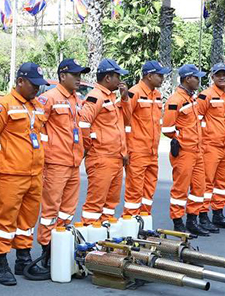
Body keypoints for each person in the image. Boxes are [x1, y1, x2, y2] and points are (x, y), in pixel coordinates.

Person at [0, 62, 49, 282]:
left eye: (39, 85)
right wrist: (7, 157)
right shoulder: (2, 106)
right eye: (33, 84)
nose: (37, 89)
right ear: (20, 81)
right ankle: (1, 263)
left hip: (35, 173)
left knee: (27, 221)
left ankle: (23, 259)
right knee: (5, 221)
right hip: (10, 174)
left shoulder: (37, 106)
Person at [34, 58, 88, 267]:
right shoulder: (49, 98)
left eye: (80, 75)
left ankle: (61, 244)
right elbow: (36, 128)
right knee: (51, 210)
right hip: (55, 163)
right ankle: (46, 250)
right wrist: (45, 154)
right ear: (62, 76)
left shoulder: (76, 99)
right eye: (75, 75)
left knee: (67, 209)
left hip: (73, 163)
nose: (79, 79)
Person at [79, 58, 129, 226]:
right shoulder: (95, 96)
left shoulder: (113, 97)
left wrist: (125, 98)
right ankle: (89, 235)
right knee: (94, 205)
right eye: (117, 76)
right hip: (101, 158)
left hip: (116, 158)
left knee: (110, 205)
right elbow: (83, 123)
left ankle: (105, 234)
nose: (120, 80)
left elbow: (125, 121)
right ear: (108, 78)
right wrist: (90, 147)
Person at [163, 64, 210, 235]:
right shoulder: (175, 100)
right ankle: (178, 222)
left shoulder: (191, 99)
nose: (198, 81)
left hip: (196, 150)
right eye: (196, 77)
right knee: (180, 188)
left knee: (199, 187)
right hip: (184, 151)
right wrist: (182, 139)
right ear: (187, 79)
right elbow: (167, 129)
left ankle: (192, 220)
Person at [123, 61, 169, 220]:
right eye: (159, 75)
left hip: (152, 152)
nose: (162, 78)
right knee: (134, 192)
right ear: (149, 76)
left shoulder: (157, 95)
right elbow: (123, 120)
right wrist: (125, 149)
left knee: (148, 191)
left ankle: (144, 221)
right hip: (137, 151)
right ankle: (131, 223)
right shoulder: (134, 93)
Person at [195, 64, 225, 230]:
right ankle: (203, 215)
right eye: (218, 75)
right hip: (210, 146)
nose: (222, 77)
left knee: (222, 183)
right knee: (207, 183)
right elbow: (196, 120)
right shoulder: (206, 96)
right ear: (212, 77)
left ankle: (218, 214)